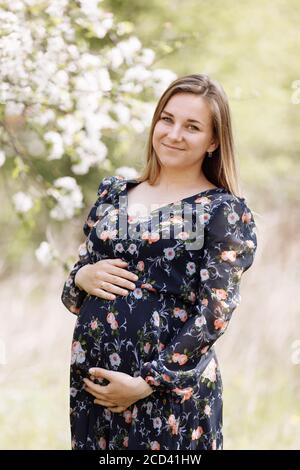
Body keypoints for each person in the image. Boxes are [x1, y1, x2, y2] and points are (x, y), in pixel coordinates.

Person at [61, 73, 258, 450]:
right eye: (167, 119)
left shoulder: (221, 211)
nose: (173, 134)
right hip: (95, 387)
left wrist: (147, 383)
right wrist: (82, 276)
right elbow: (74, 296)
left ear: (213, 141)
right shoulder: (114, 193)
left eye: (192, 126)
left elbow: (215, 311)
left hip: (168, 395)